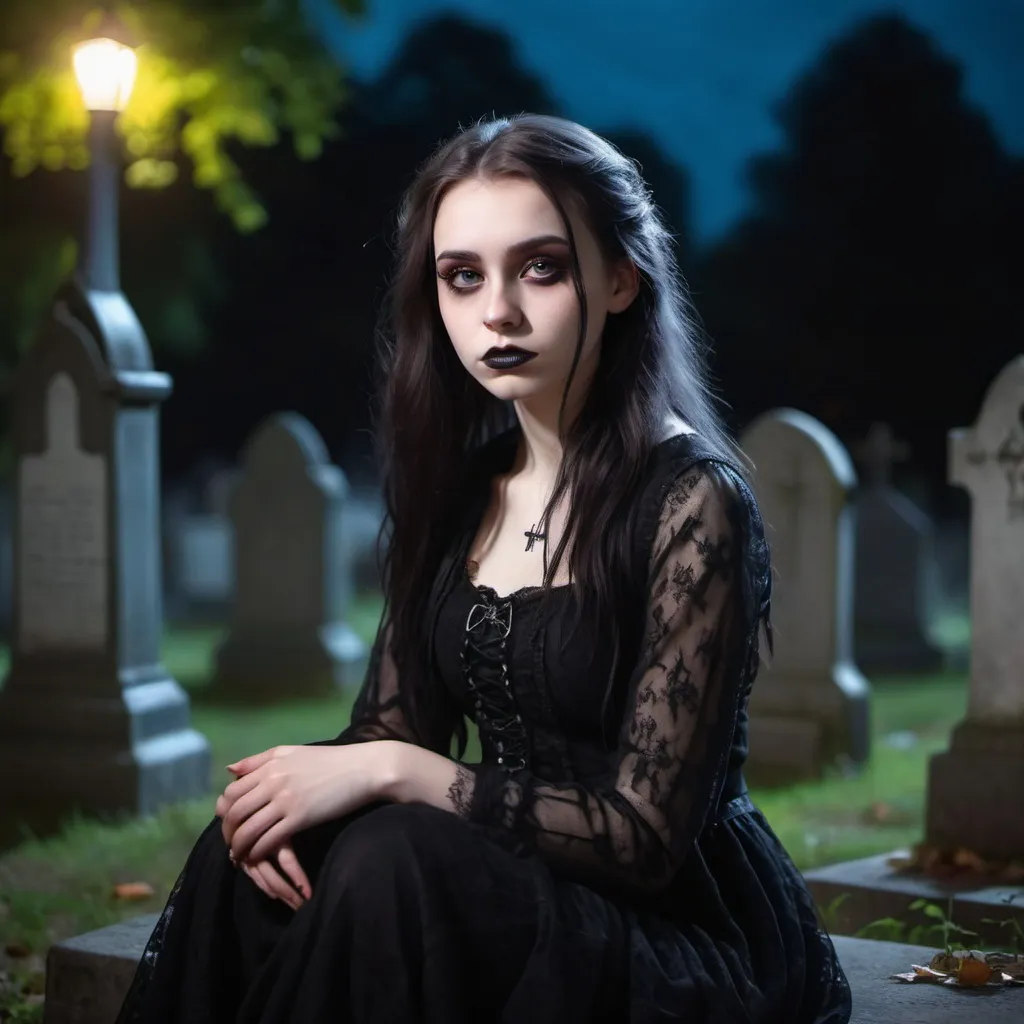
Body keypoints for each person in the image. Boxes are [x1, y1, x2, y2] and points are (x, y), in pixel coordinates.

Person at [115, 113, 852, 1023]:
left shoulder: (694, 502)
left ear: (620, 280)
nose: (496, 311)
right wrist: (285, 798)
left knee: (391, 859)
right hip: (511, 874)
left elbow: (643, 838)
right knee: (254, 854)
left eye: (538, 267)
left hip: (678, 928)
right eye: (462, 277)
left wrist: (399, 773)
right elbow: (390, 727)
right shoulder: (461, 484)